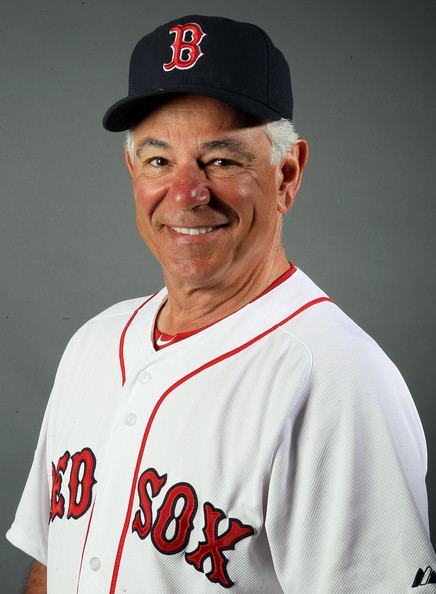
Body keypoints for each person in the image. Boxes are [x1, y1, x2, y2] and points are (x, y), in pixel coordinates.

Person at [6, 14, 436, 594]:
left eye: (223, 160)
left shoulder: (338, 380)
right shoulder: (93, 343)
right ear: (132, 170)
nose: (186, 194)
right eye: (160, 160)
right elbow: (50, 563)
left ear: (287, 173)